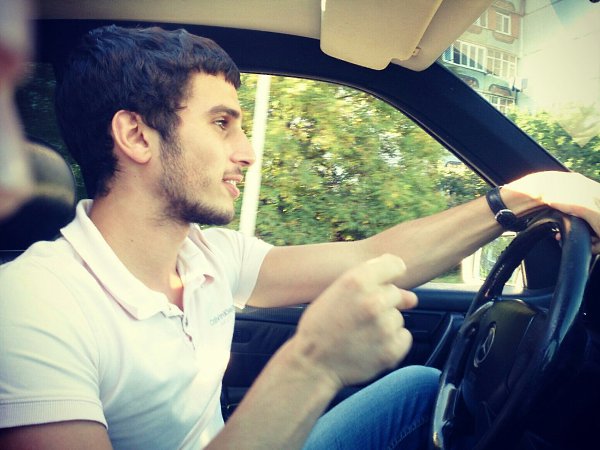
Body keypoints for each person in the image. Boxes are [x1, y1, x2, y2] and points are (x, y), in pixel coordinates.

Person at [0, 25, 599, 450]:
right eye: (221, 124)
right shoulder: (31, 305)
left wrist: (522, 196)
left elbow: (374, 257)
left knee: (422, 390)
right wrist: (313, 364)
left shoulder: (207, 255)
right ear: (136, 136)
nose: (247, 152)